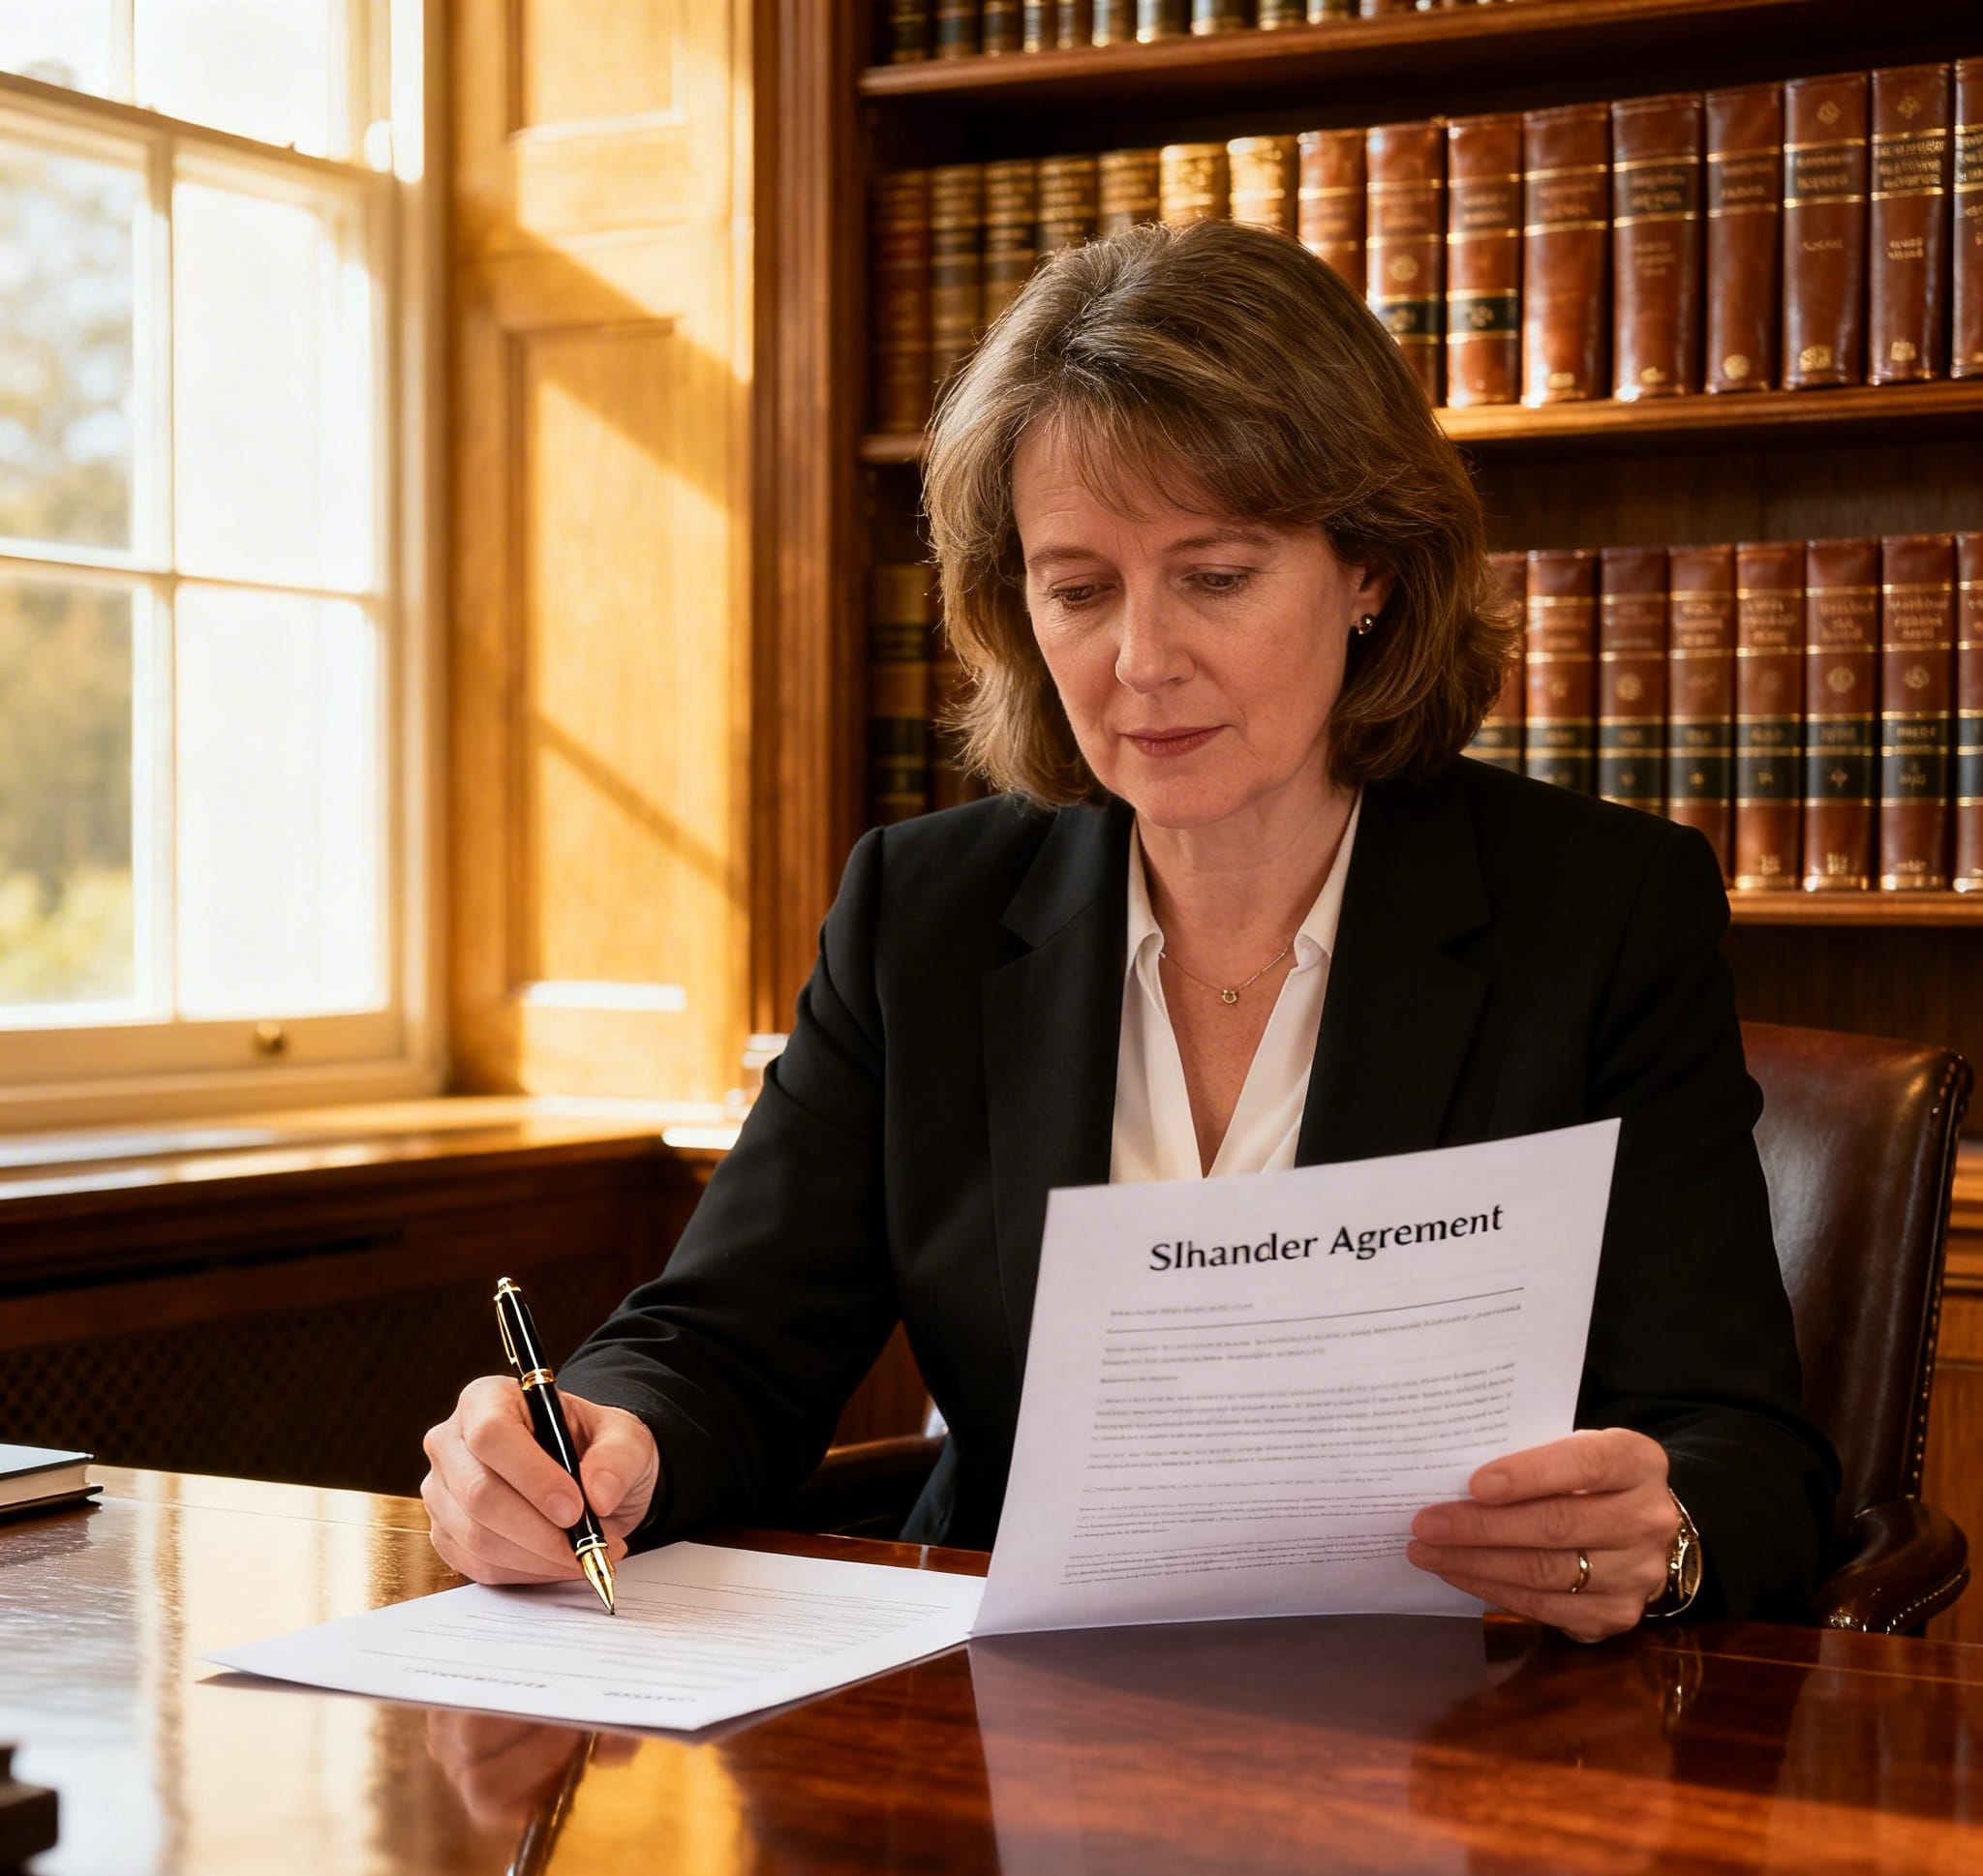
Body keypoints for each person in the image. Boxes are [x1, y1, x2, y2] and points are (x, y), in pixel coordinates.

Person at [421, 220, 1838, 1641]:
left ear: (1371, 574)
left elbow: (1742, 1452)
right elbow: (726, 1343)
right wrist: (600, 1443)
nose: (1140, 662)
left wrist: (1662, 1538)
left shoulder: (1595, 912)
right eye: (1079, 589)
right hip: (1013, 1718)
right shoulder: (927, 914)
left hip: (1453, 1725)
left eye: (1216, 576)